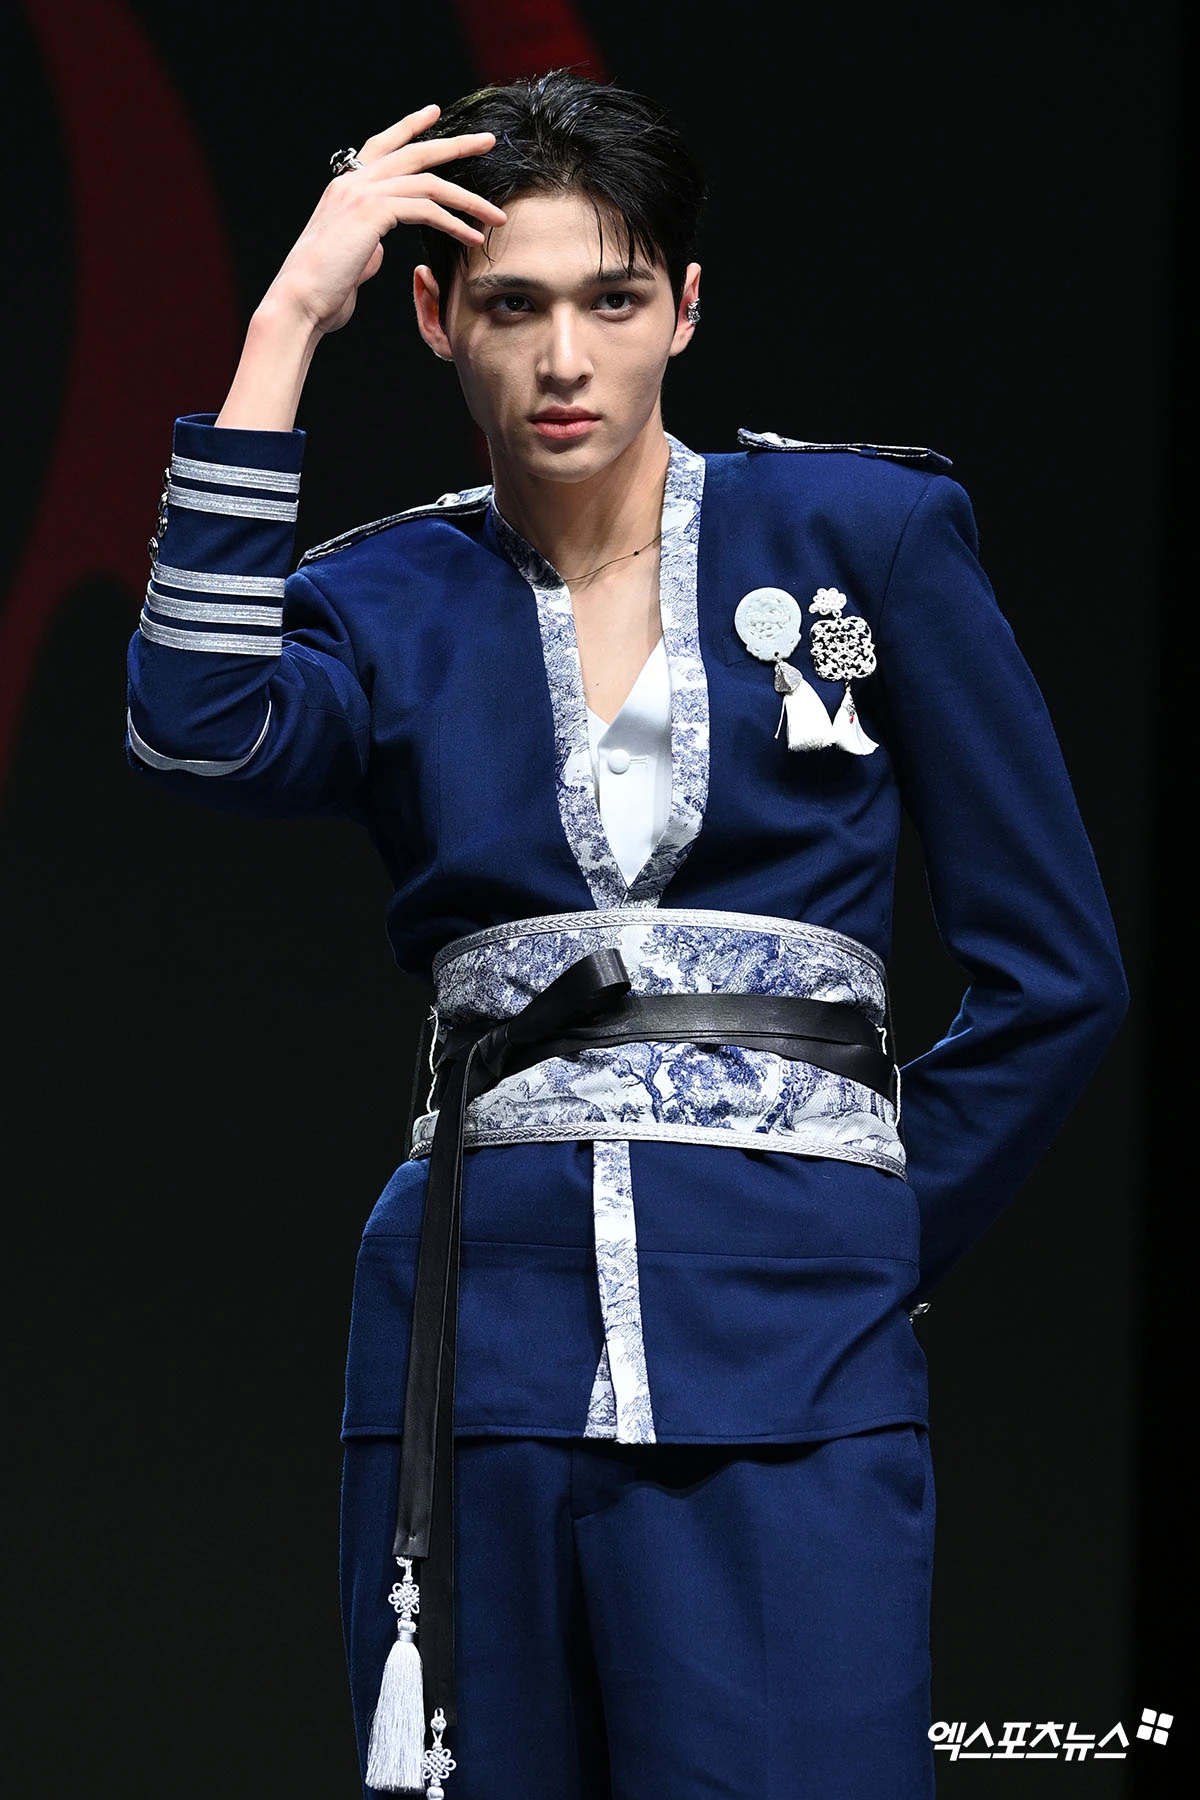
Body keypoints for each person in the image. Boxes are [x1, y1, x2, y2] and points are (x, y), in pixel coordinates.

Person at [124, 68, 1128, 1800]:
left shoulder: (864, 540)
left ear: (685, 308)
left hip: (796, 1358)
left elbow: (1060, 974)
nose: (565, 359)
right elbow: (192, 724)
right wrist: (288, 318)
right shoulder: (382, 600)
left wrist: (868, 1236)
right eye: (512, 306)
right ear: (435, 319)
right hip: (471, 1362)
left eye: (613, 299)